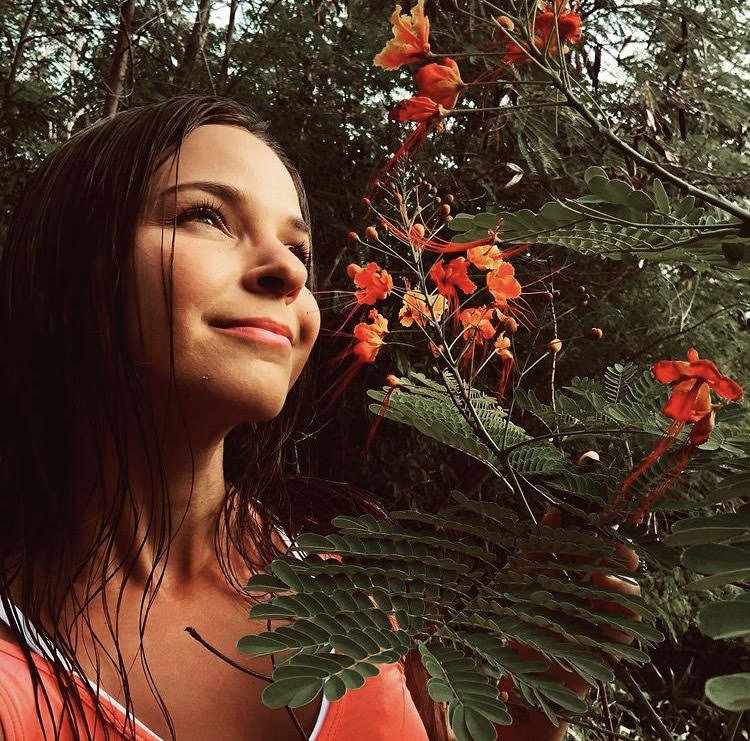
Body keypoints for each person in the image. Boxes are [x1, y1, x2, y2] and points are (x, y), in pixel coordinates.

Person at [0, 95, 638, 741]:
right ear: (63, 275)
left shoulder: (368, 592)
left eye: (297, 247)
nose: (286, 270)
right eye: (205, 216)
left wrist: (524, 725)